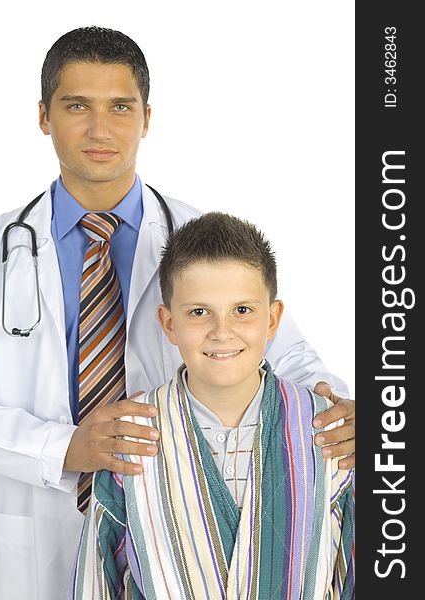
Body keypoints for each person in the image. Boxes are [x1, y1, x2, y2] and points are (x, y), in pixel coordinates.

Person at [0, 26, 355, 600]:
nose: (100, 129)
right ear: (44, 116)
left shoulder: (200, 242)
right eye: (77, 106)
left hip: (167, 517)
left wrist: (339, 415)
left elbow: (279, 348)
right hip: (40, 519)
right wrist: (66, 448)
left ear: (147, 117)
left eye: (121, 106)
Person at [73, 212, 354, 600]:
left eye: (242, 310)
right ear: (168, 324)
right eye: (199, 312)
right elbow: (98, 581)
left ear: (272, 320)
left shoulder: (325, 431)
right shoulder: (134, 439)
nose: (222, 332)